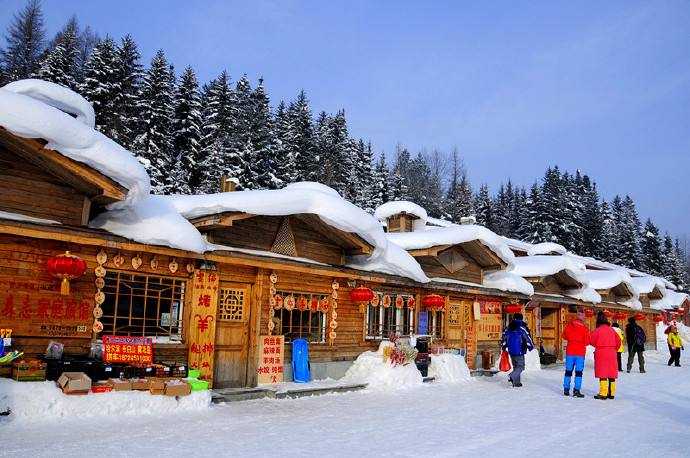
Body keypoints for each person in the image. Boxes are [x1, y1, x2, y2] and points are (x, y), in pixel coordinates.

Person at [590, 311, 621, 400]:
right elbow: (618, 341)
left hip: (601, 352)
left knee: (602, 372)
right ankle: (611, 393)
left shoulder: (598, 330)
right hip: (612, 352)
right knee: (611, 373)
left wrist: (598, 344)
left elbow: (591, 340)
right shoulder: (612, 330)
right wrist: (614, 349)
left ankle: (603, 393)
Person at [501, 313, 534, 388]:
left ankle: (517, 382)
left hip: (511, 350)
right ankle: (511, 376)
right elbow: (527, 337)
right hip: (519, 350)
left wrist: (503, 346)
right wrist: (531, 346)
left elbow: (504, 337)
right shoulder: (522, 327)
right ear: (521, 319)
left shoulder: (508, 327)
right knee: (521, 367)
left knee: (516, 366)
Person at [561, 311, 590, 397]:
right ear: (583, 317)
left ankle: (566, 389)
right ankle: (576, 390)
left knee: (568, 371)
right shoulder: (585, 328)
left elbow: (564, 335)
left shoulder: (569, 325)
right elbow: (587, 341)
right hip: (580, 352)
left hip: (570, 351)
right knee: (578, 372)